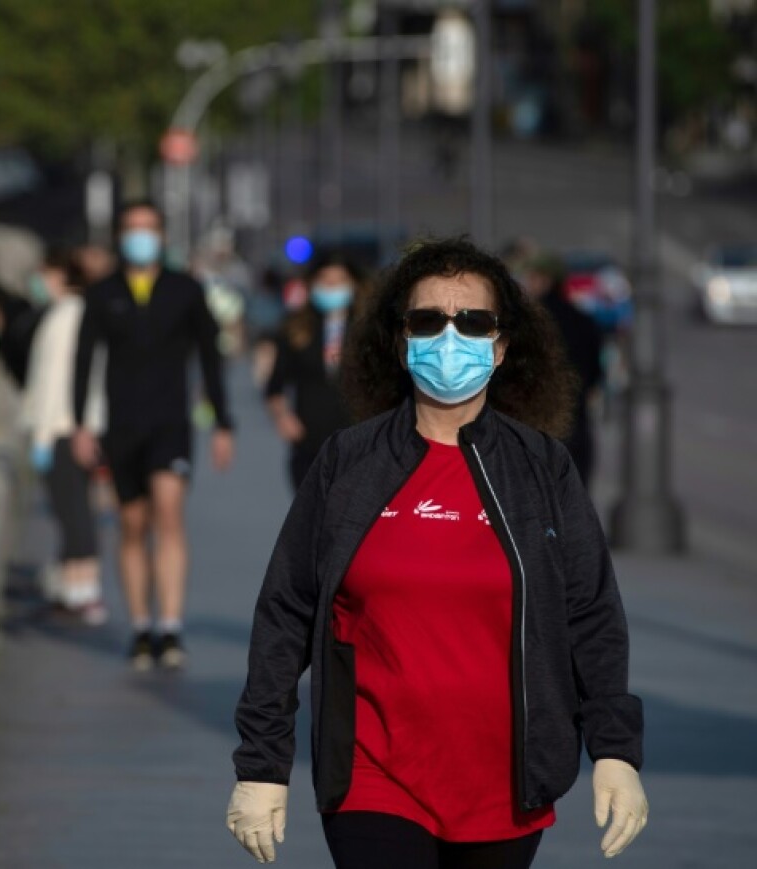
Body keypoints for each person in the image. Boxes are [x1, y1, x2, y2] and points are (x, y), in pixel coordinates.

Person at [226, 238, 648, 868]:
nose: (451, 337)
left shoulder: (541, 469)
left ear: (501, 347)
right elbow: (286, 609)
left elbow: (590, 614)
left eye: (474, 322)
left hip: (505, 785)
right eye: (428, 320)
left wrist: (615, 751)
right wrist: (262, 764)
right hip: (373, 777)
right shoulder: (350, 461)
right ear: (400, 340)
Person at [71, 200, 235, 671]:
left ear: (162, 236)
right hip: (121, 427)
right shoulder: (102, 294)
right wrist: (80, 423)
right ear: (120, 236)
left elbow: (210, 357)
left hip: (171, 425)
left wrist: (223, 422)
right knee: (132, 524)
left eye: (148, 229)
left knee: (169, 514)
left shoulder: (185, 289)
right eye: (131, 229)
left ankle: (170, 626)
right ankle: (141, 626)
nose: (139, 237)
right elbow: (84, 361)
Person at [19, 248, 107, 624]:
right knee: (72, 510)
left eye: (44, 273)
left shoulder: (66, 316)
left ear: (59, 273)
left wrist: (41, 437)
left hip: (60, 429)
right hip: (71, 428)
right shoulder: (71, 313)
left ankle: (84, 592)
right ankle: (72, 588)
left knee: (74, 512)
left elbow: (56, 384)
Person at [265, 251, 365, 491]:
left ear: (353, 285)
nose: (332, 287)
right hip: (309, 442)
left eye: (339, 281)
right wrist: (283, 417)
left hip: (358, 441)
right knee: (312, 521)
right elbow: (275, 385)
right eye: (325, 281)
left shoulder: (369, 329)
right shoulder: (297, 328)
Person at [520, 251, 604, 487]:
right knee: (575, 500)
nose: (528, 284)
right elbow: (597, 372)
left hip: (536, 425)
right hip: (576, 423)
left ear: (544, 280)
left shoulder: (529, 322)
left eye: (532, 278)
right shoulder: (584, 320)